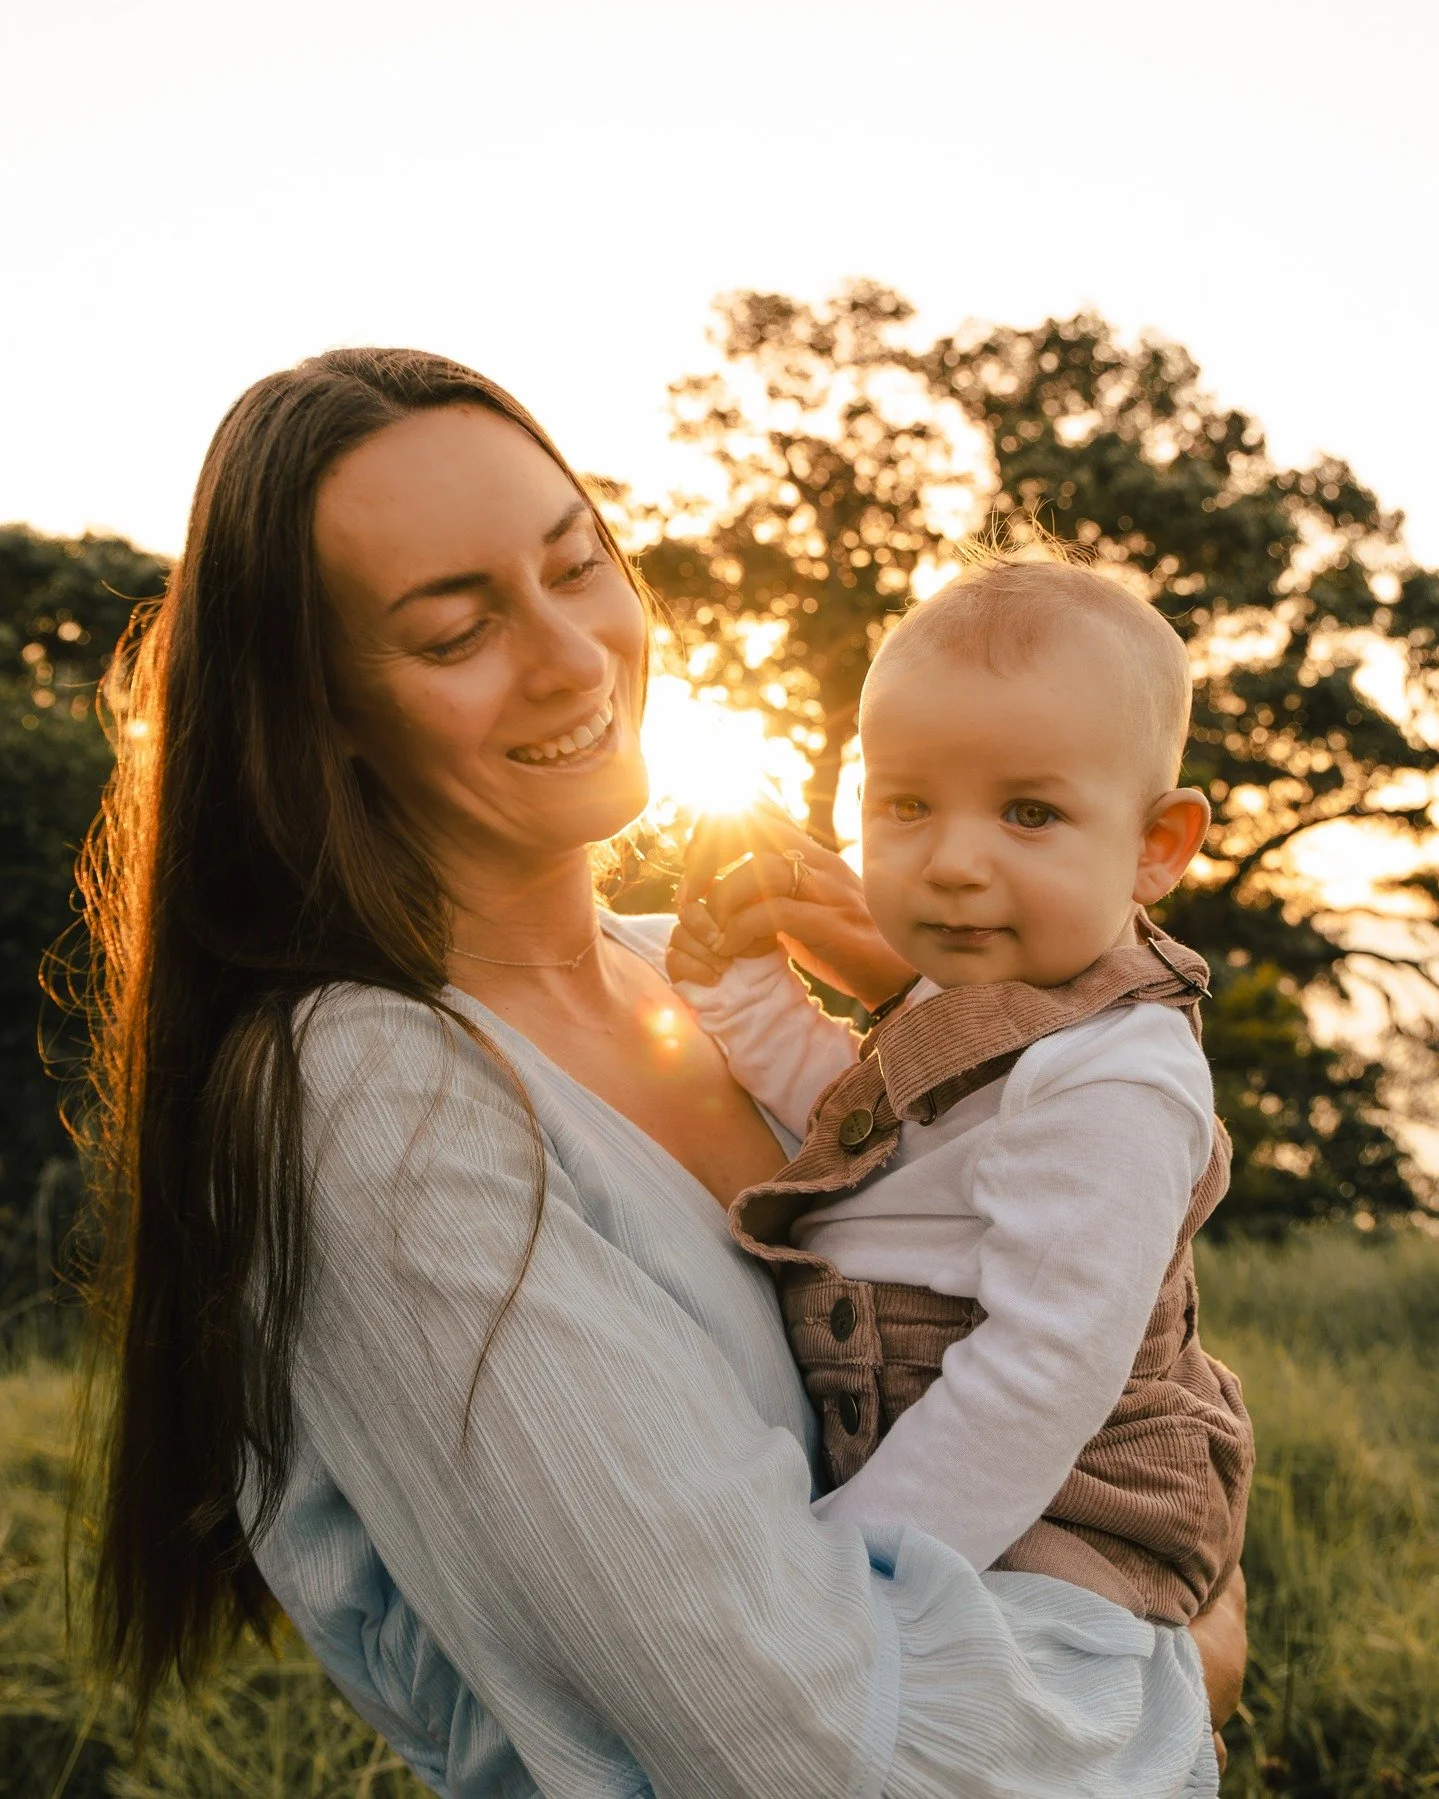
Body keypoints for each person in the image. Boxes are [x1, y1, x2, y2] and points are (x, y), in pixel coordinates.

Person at [74, 348, 1246, 1797]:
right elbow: (794, 1745)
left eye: (578, 564)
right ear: (321, 714)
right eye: (455, 631)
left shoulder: (696, 977)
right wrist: (1188, 1657)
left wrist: (948, 1019)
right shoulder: (370, 1089)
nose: (573, 656)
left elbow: (1064, 1295)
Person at [667, 558, 1254, 1637]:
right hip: (947, 1477)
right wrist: (741, 994)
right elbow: (860, 1131)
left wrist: (844, 1568)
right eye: (906, 804)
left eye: (1028, 811)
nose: (950, 861)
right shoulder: (974, 997)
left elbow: (1041, 1372)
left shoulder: (1114, 1079)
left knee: (988, 1701)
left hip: (1078, 1511)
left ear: (1154, 845)